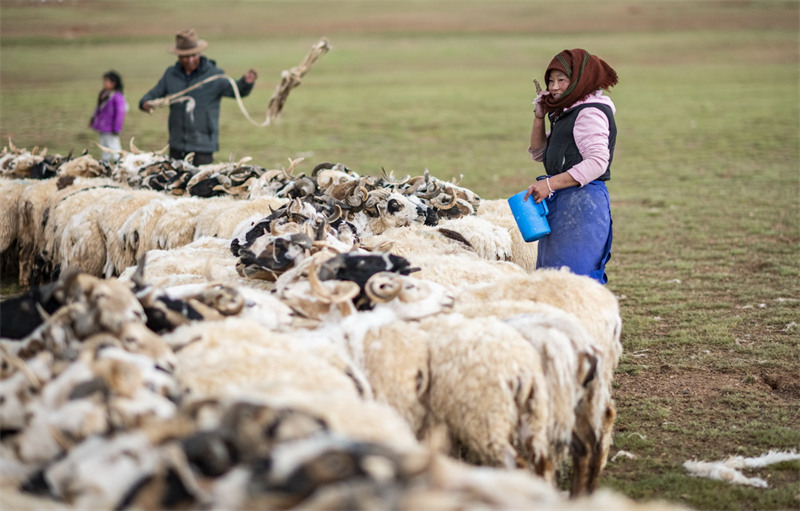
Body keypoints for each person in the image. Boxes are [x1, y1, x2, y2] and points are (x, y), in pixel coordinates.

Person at [525, 48, 618, 285]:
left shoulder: (589, 113)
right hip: (564, 201)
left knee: (573, 281)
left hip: (582, 204)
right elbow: (539, 153)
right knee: (552, 280)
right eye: (550, 81)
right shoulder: (567, 112)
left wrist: (549, 183)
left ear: (579, 79)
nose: (554, 87)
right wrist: (539, 117)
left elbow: (597, 162)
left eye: (561, 80)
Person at [139, 28, 258, 165]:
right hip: (177, 145)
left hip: (203, 146)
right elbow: (154, 94)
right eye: (185, 56)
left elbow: (236, 90)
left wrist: (246, 82)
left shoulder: (214, 75)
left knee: (200, 185)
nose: (189, 60)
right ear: (178, 56)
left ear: (199, 53)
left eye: (193, 55)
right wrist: (145, 103)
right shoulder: (171, 75)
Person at [90, 70, 128, 163]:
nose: (104, 84)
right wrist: (93, 120)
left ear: (113, 83)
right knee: (103, 146)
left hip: (111, 128)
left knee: (114, 146)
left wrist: (116, 128)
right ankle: (105, 163)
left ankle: (118, 162)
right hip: (103, 126)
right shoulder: (104, 94)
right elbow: (98, 109)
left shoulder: (117, 97)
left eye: (106, 81)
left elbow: (120, 113)